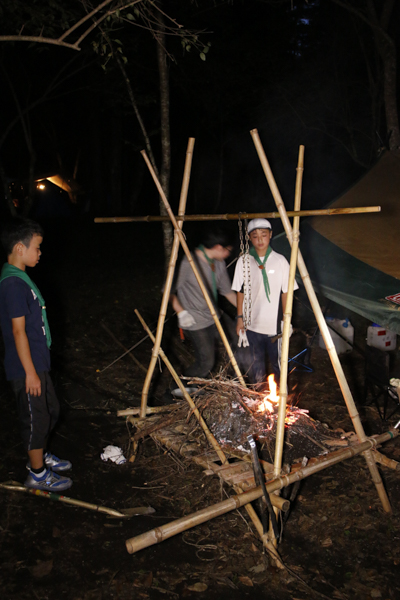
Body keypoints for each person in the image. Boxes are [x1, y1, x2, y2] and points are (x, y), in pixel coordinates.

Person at [0, 218, 72, 491]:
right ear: (20, 248)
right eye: (37, 248)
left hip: (37, 362)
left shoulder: (19, 277)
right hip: (25, 367)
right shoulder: (12, 285)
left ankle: (40, 453)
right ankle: (37, 473)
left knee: (51, 410)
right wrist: (30, 372)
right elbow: (18, 333)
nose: (40, 253)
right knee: (35, 419)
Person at [232, 218, 298, 384]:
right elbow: (240, 291)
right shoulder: (244, 261)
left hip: (274, 326)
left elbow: (286, 292)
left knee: (278, 365)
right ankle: (258, 403)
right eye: (255, 236)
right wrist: (239, 318)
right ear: (249, 238)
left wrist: (286, 319)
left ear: (270, 235)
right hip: (251, 324)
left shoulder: (280, 261)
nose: (260, 240)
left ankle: (281, 403)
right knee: (256, 366)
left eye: (264, 235)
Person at [170, 228, 237, 379]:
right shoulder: (188, 262)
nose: (228, 254)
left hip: (214, 314)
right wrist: (181, 312)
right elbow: (169, 291)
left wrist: (247, 309)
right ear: (219, 247)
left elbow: (228, 292)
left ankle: (235, 382)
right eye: (228, 250)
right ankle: (178, 388)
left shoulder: (218, 262)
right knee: (206, 362)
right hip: (194, 319)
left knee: (238, 340)